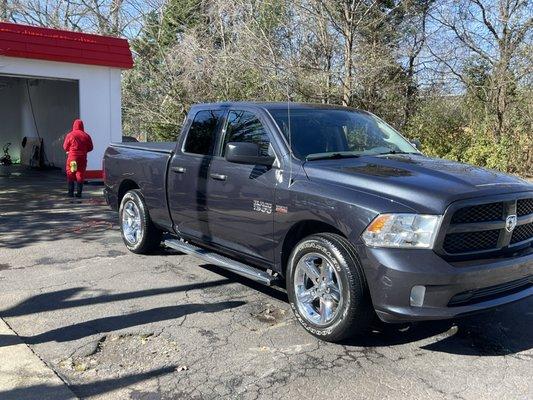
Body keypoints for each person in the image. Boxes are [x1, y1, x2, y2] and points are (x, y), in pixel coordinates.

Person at [63, 119, 93, 198]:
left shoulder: (70, 135)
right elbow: (91, 147)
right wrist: (84, 151)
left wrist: (70, 150)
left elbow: (65, 147)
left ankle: (70, 193)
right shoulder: (86, 135)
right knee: (80, 173)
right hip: (82, 158)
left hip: (72, 158)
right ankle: (79, 193)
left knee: (71, 173)